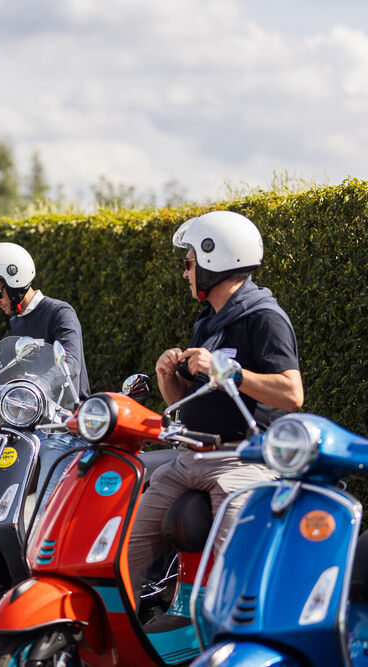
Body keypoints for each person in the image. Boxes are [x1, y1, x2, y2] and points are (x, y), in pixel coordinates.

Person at [127, 210, 303, 622]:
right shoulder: (208, 321)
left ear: (214, 259)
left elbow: (292, 393)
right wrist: (166, 374)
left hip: (242, 460)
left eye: (189, 263)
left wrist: (229, 371)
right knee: (124, 548)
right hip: (190, 457)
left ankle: (218, 643)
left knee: (225, 576)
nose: (186, 273)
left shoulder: (265, 318)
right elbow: (184, 399)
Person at [0, 242, 91, 501]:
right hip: (28, 429)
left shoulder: (59, 312)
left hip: (63, 429)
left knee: (48, 505)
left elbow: (69, 362)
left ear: (15, 281)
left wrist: (36, 388)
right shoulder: (16, 324)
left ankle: (44, 539)